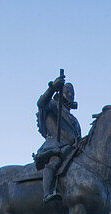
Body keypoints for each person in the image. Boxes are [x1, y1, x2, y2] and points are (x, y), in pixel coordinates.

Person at [34, 71, 82, 203]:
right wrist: (53, 87)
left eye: (72, 92)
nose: (71, 95)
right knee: (54, 162)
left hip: (72, 150)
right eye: (67, 91)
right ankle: (47, 193)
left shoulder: (74, 119)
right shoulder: (53, 105)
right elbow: (41, 103)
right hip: (56, 145)